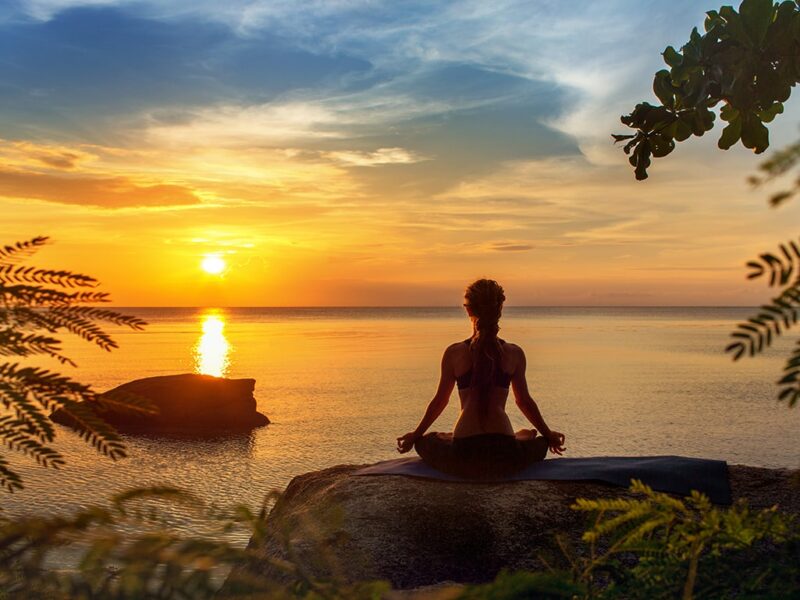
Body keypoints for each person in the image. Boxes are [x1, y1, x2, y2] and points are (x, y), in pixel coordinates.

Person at [396, 279, 566, 479]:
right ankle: (521, 437)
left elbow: (440, 401)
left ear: (468, 310)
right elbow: (524, 402)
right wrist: (548, 435)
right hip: (505, 454)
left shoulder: (454, 353)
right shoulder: (514, 353)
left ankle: (453, 438)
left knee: (426, 441)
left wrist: (415, 436)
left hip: (463, 455)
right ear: (500, 309)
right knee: (540, 442)